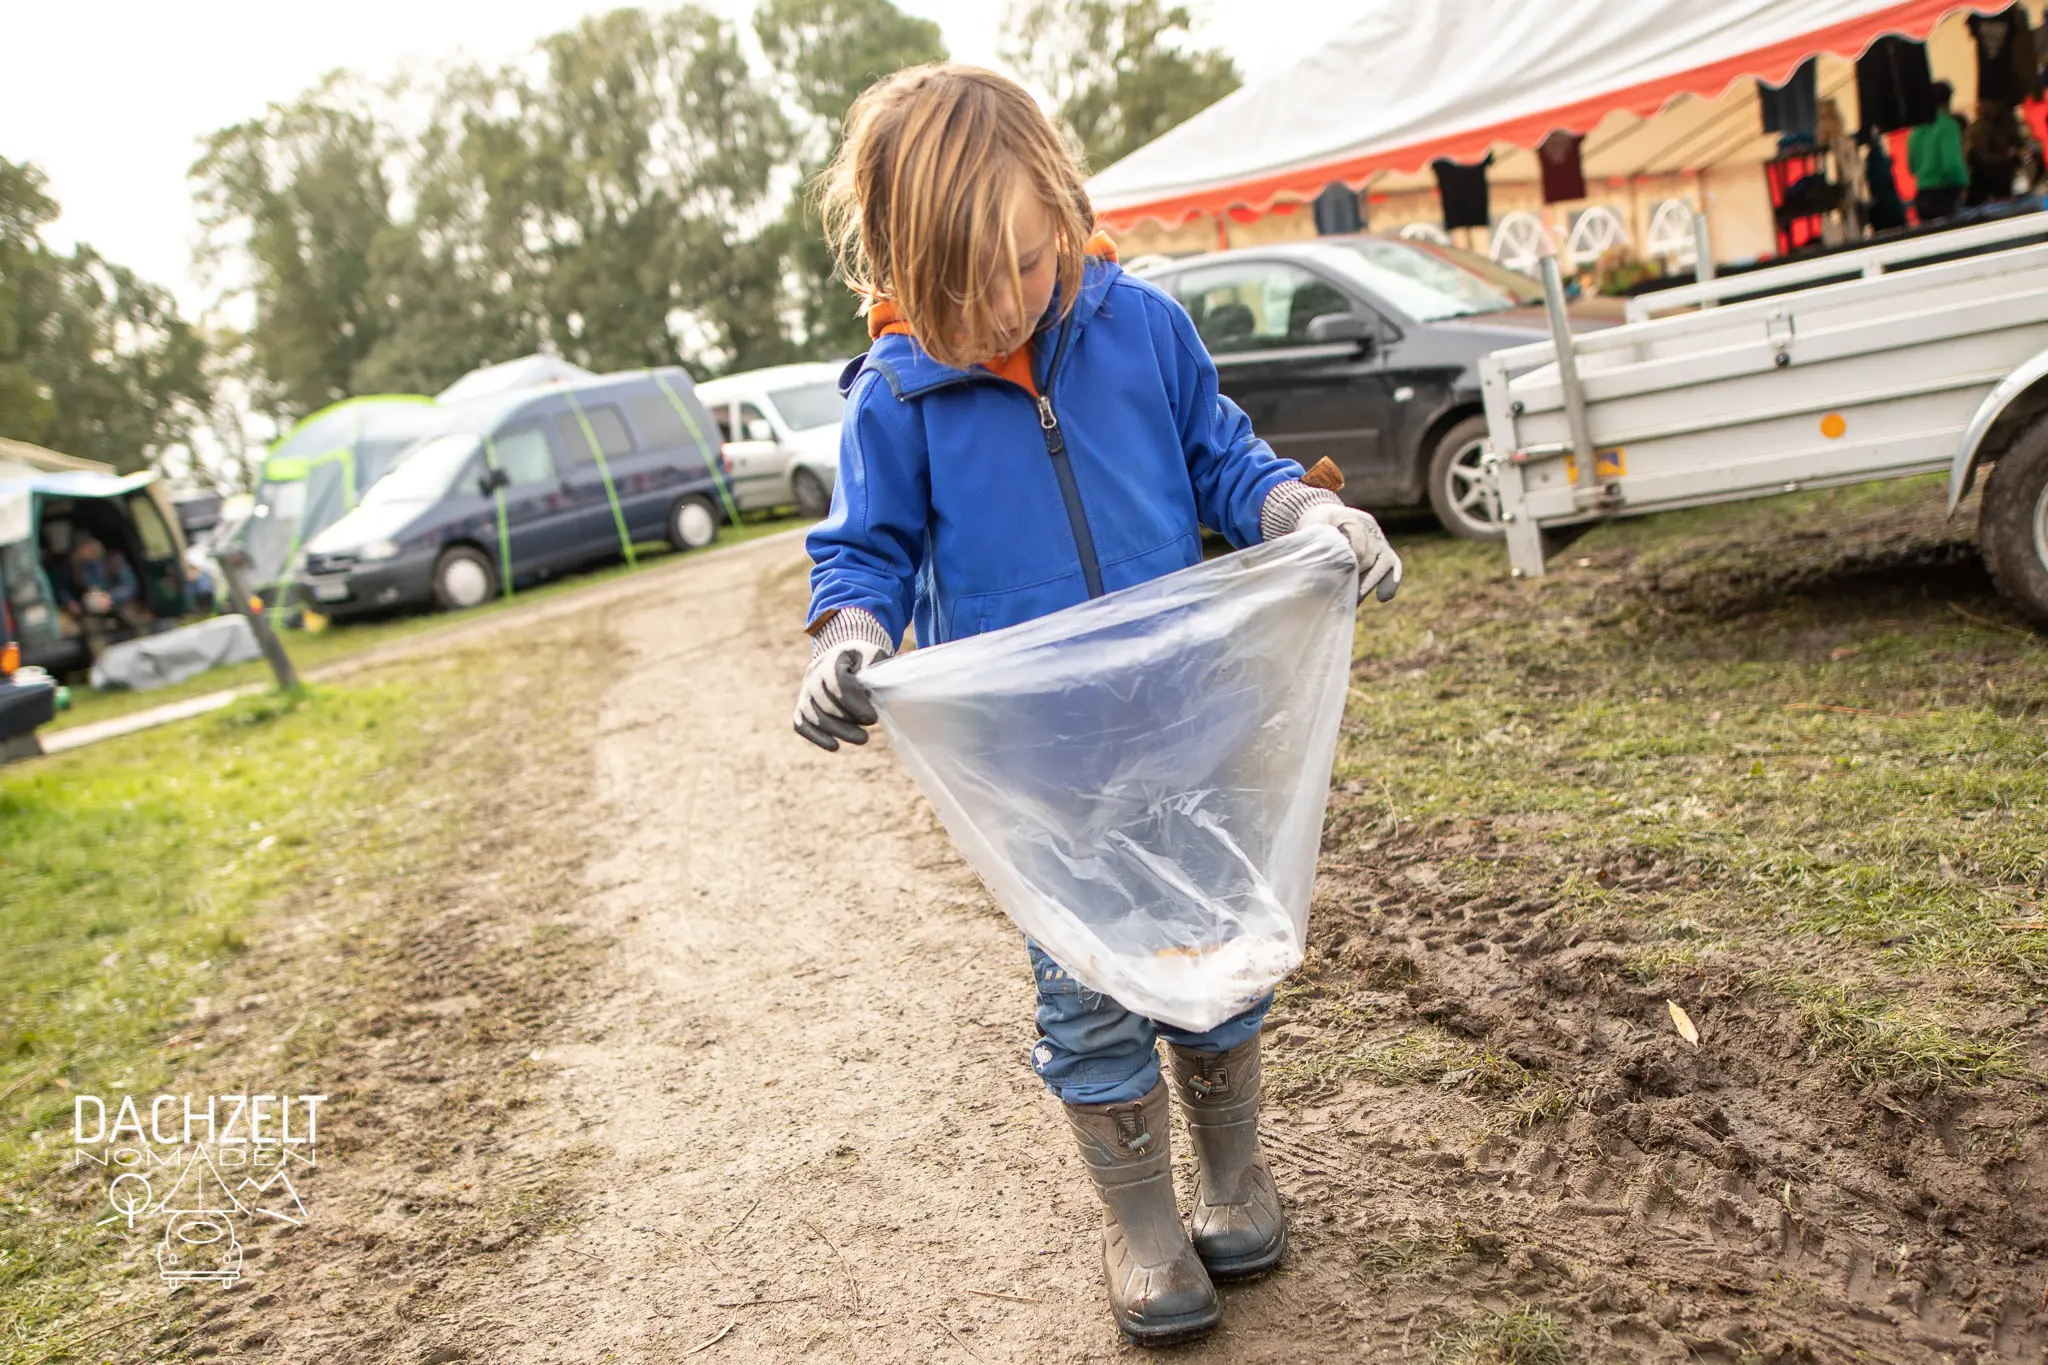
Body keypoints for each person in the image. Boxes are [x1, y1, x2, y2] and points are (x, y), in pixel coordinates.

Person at [791, 64, 1402, 1346]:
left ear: (1066, 210)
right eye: (970, 284)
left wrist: (1312, 515)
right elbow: (866, 556)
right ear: (906, 266)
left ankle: (1232, 1171)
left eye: (1029, 261)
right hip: (1044, 774)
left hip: (1188, 731)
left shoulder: (1140, 329)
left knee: (1216, 946)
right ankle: (1137, 1222)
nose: (1010, 299)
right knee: (1084, 992)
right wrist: (846, 638)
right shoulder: (894, 396)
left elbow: (1226, 464)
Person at [1908, 81, 1969, 223]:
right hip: (1945, 193)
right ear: (1948, 100)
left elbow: (1911, 167)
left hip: (1922, 193)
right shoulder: (1948, 126)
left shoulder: (1916, 129)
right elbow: (1951, 163)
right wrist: (1962, 185)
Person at [1965, 98, 2024, 206]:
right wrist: (2008, 158)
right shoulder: (1985, 128)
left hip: (1986, 174)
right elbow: (1985, 156)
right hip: (1992, 173)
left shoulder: (1976, 128)